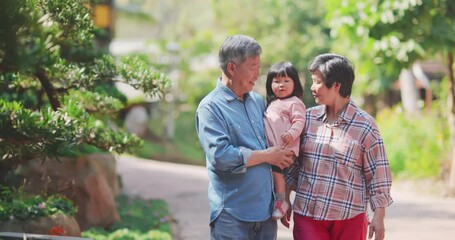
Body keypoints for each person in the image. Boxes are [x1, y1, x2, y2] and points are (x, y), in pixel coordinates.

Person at [283, 53, 393, 240]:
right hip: (308, 215)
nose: (312, 87)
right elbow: (293, 164)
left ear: (336, 85)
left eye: (317, 82)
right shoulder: (306, 119)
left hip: (349, 217)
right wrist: (284, 196)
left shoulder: (365, 125)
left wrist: (379, 216)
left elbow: (378, 174)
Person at [195, 35, 294, 240]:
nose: (258, 74)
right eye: (253, 67)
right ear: (232, 68)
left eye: (259, 66)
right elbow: (221, 157)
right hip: (232, 216)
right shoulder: (210, 107)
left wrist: (282, 197)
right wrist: (267, 156)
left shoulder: (257, 101)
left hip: (266, 216)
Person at [263, 61, 306, 220]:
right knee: (273, 172)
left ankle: (282, 202)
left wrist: (291, 133)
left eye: (286, 81)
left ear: (295, 83)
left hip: (286, 148)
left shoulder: (295, 102)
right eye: (276, 81)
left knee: (277, 172)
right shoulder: (272, 103)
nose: (281, 85)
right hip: (274, 148)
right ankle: (278, 199)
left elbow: (299, 121)